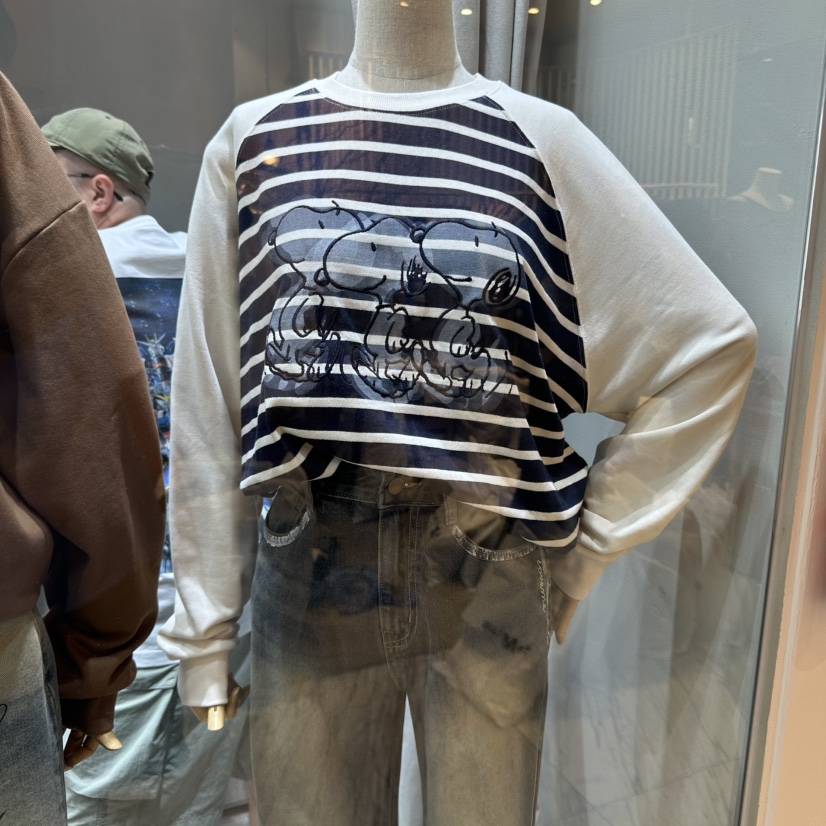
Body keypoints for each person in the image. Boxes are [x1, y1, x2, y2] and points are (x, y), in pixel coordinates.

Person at [159, 0, 757, 822]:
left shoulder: (542, 143)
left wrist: (589, 549)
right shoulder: (256, 142)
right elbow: (209, 400)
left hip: (488, 559)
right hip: (316, 555)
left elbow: (712, 343)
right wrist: (204, 629)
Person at [43, 107, 252, 826]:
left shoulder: (56, 280)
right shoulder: (212, 267)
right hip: (215, 627)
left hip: (110, 639)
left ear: (97, 193)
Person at [0, 74, 165, 826]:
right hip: (157, 606)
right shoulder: (198, 264)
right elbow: (97, 438)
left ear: (99, 192)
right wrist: (91, 666)